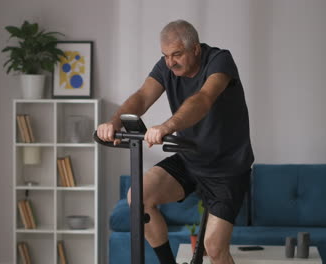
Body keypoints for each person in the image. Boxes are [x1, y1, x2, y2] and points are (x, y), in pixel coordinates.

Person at [97, 19, 254, 264]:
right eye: (166, 55)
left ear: (195, 49)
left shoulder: (219, 61)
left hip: (227, 169)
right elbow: (142, 96)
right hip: (190, 159)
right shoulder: (166, 66)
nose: (170, 62)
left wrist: (168, 126)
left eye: (177, 54)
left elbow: (203, 99)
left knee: (213, 249)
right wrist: (115, 122)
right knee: (138, 198)